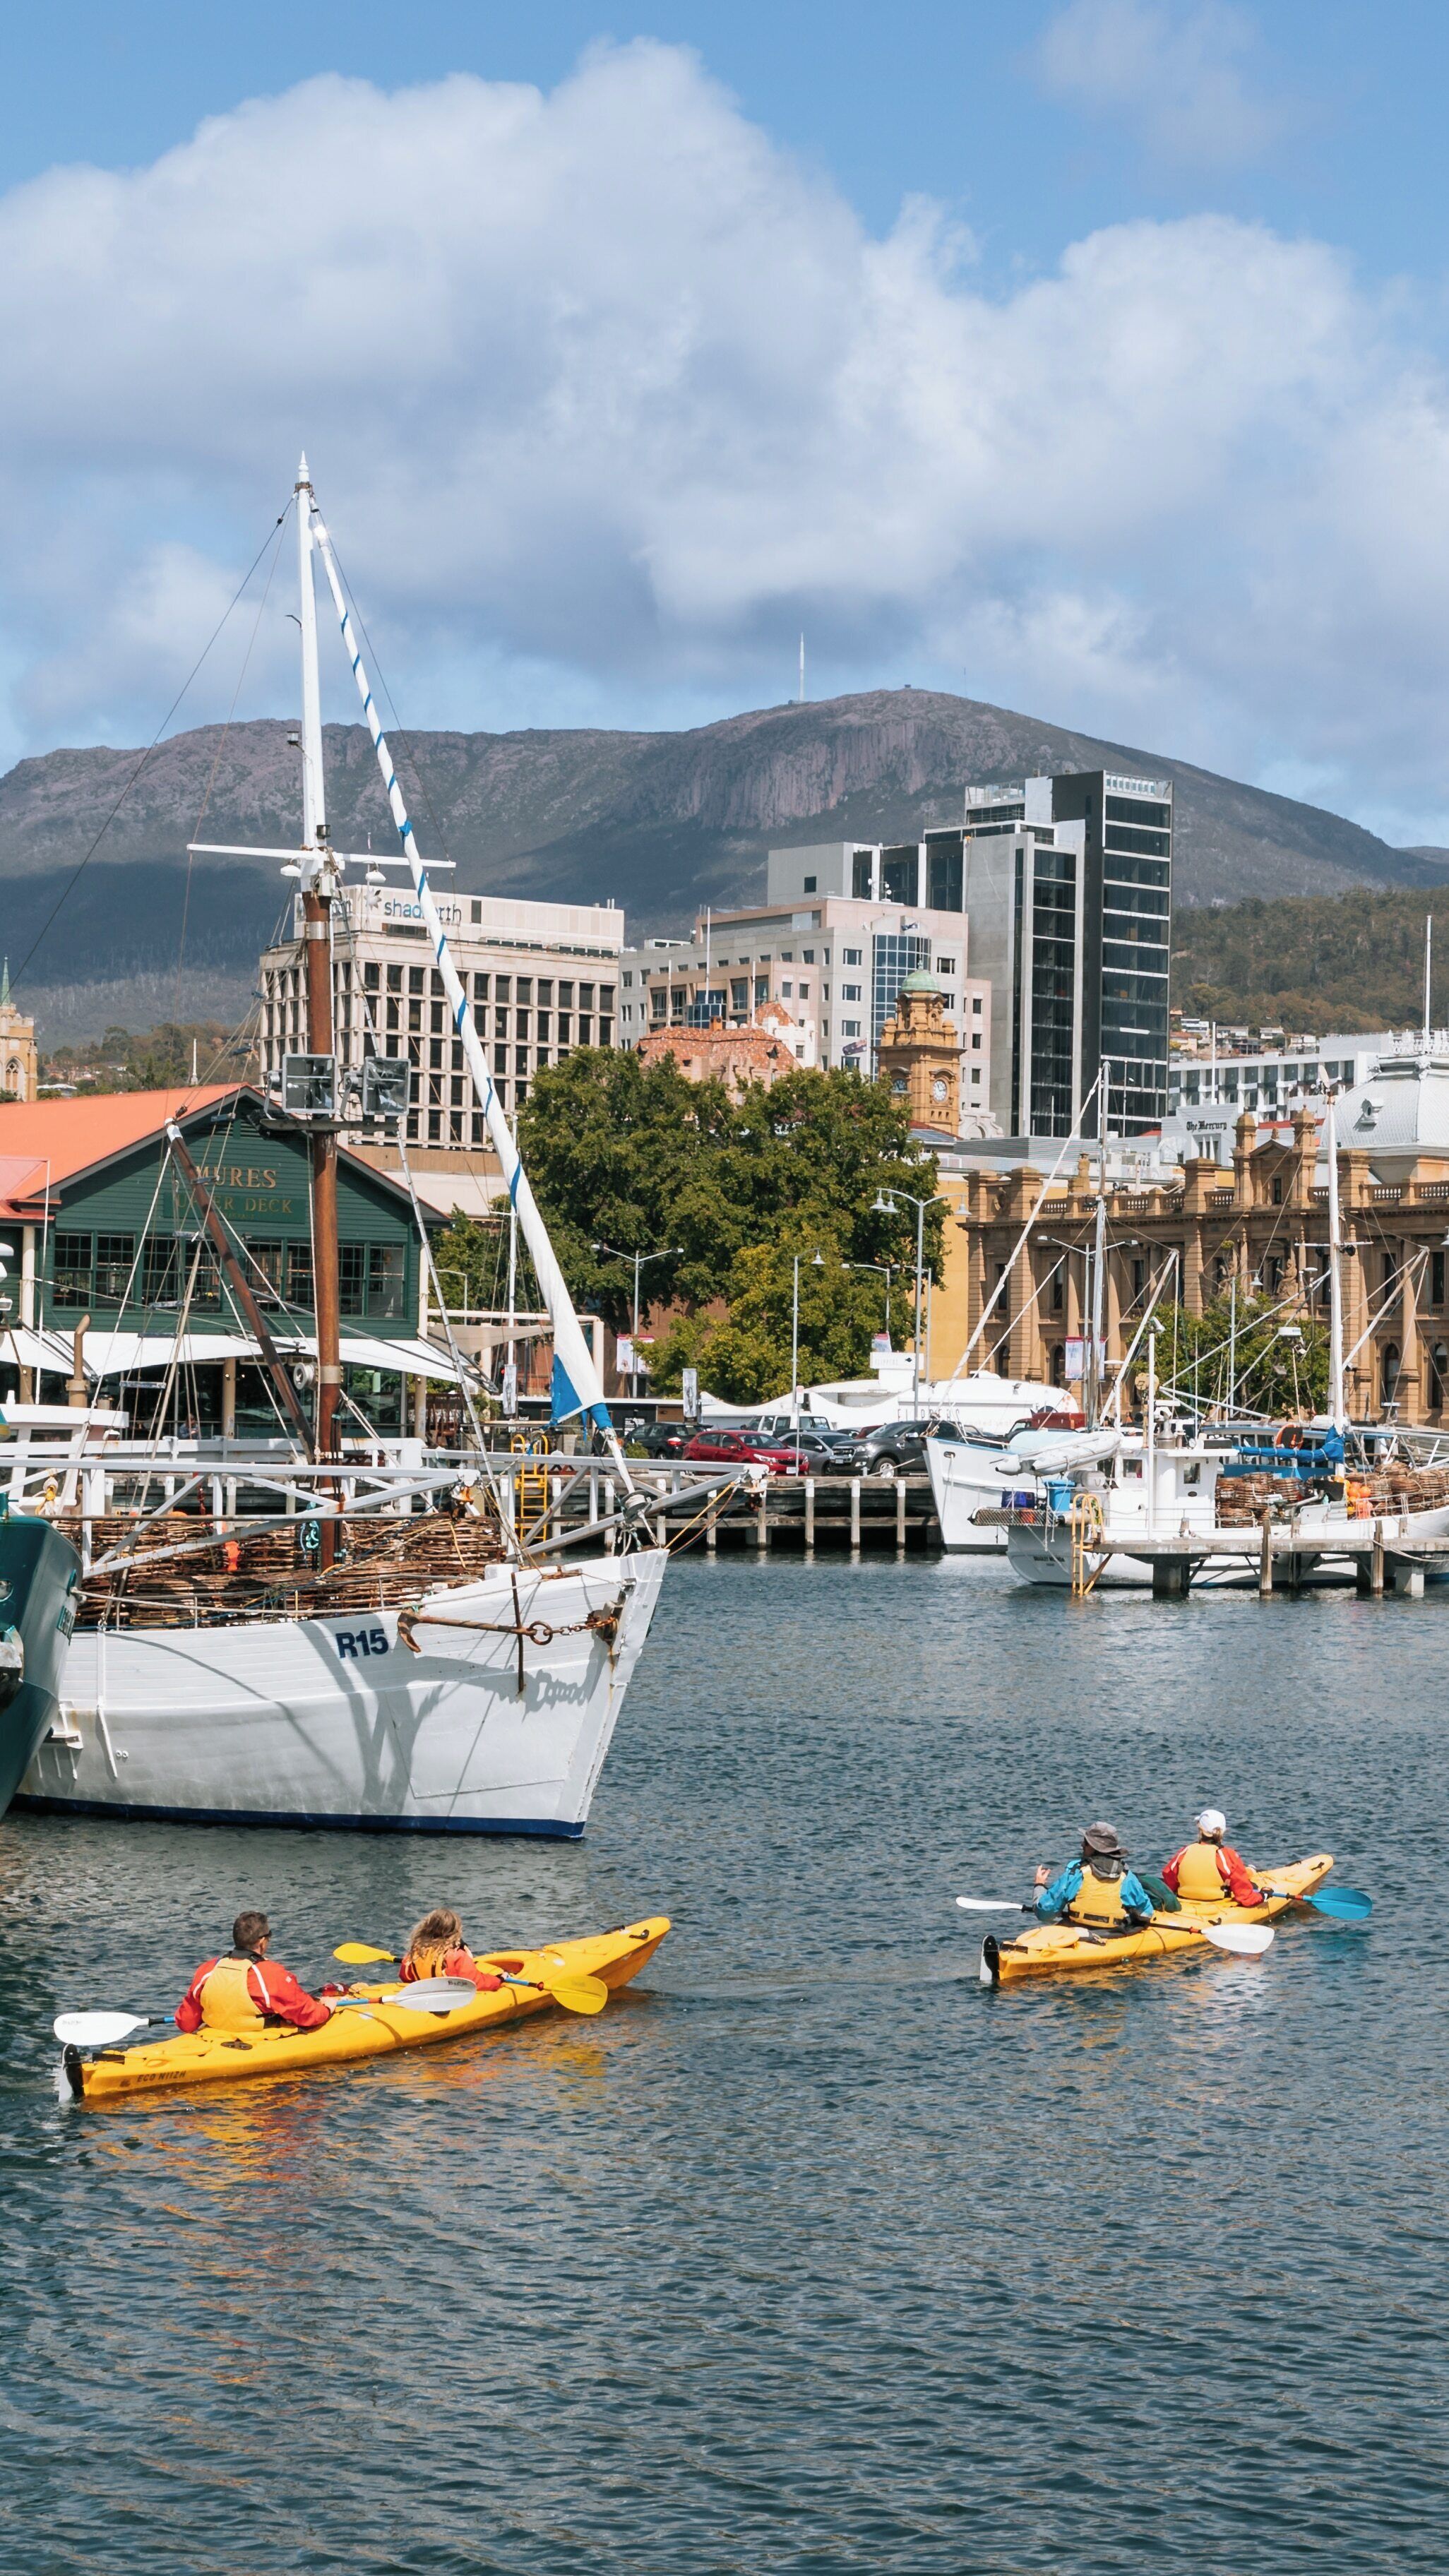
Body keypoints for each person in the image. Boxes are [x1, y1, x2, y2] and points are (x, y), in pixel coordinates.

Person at [174, 1911, 333, 2033]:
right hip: (254, 2038)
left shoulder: (208, 1969)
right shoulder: (271, 1973)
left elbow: (185, 2022)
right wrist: (327, 2008)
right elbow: (308, 2016)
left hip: (216, 2035)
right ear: (262, 1942)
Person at [1033, 1822, 1156, 1927]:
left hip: (1078, 1932)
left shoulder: (1076, 1873)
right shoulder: (1127, 1877)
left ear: (1094, 1848)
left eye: (1086, 1842)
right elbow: (1146, 1912)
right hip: (1114, 1934)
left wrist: (1039, 1886)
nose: (1082, 1845)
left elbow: (1044, 1913)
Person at [1161, 1809, 1265, 1908]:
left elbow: (1169, 1878)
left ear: (1200, 1830)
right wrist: (1263, 1896)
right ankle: (1251, 1872)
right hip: (1217, 1904)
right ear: (1223, 1831)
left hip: (1185, 1901)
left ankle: (1250, 1871)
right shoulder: (1227, 1855)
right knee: (1252, 1885)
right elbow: (1246, 1898)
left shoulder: (1184, 1852)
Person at [398, 1908, 503, 1992]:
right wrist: (498, 1980)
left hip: (426, 1995)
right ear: (456, 1931)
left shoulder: (414, 1953)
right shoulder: (457, 1956)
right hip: (449, 1998)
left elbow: (405, 1976)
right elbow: (475, 1983)